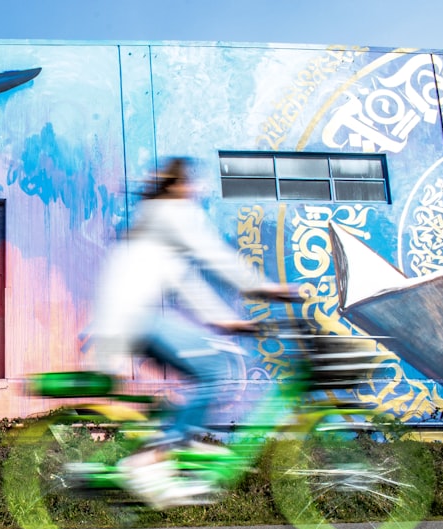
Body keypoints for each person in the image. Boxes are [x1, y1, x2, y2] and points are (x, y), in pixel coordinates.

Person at [89, 157, 293, 509]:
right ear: (179, 185)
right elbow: (215, 256)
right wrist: (266, 288)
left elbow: (185, 282)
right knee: (214, 370)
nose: (199, 189)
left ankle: (174, 441)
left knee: (215, 366)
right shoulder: (171, 213)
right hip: (136, 319)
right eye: (193, 182)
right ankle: (153, 457)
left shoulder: (155, 223)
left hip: (129, 320)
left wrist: (227, 321)